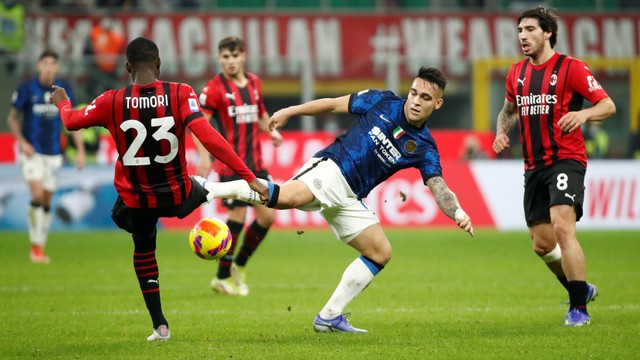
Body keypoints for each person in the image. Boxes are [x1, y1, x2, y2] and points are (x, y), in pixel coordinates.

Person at [210, 66, 475, 333]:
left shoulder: (424, 146)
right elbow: (333, 105)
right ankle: (209, 189)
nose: (416, 101)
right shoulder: (381, 101)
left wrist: (458, 213)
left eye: (425, 98)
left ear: (438, 103)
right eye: (414, 93)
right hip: (332, 168)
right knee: (282, 198)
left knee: (380, 252)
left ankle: (329, 316)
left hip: (350, 197)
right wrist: (291, 111)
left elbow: (437, 186)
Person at [50, 36, 270, 341]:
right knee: (200, 187)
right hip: (179, 195)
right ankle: (226, 189)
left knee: (143, 248)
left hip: (137, 202)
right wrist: (249, 176)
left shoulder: (111, 100)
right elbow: (210, 138)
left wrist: (62, 101)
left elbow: (72, 121)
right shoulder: (180, 93)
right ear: (159, 64)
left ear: (126, 66)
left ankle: (160, 326)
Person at [492, 7, 616, 326]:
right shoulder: (516, 73)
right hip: (533, 165)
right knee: (542, 244)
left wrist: (584, 115)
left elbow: (607, 104)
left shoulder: (571, 68)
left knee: (562, 227)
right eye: (520, 29)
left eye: (530, 29)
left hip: (566, 159)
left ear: (548, 33)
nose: (522, 35)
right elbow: (508, 111)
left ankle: (579, 309)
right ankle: (579, 289)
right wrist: (500, 133)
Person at [193, 36, 283, 296]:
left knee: (267, 217)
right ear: (219, 58)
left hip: (257, 164)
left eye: (234, 56)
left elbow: (259, 113)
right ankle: (222, 276)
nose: (230, 61)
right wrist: (205, 156)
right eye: (225, 57)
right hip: (231, 165)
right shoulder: (213, 89)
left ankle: (238, 266)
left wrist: (272, 131)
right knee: (237, 219)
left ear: (243, 55)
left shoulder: (254, 82)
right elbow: (199, 126)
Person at [7, 49, 86, 264]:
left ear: (57, 67)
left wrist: (79, 151)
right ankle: (35, 247)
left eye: (52, 63)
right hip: (33, 152)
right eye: (45, 63)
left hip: (54, 153)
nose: (49, 67)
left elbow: (73, 121)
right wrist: (22, 143)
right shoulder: (27, 88)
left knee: (47, 201)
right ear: (38, 66)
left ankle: (40, 245)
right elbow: (12, 118)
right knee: (37, 196)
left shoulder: (63, 90)